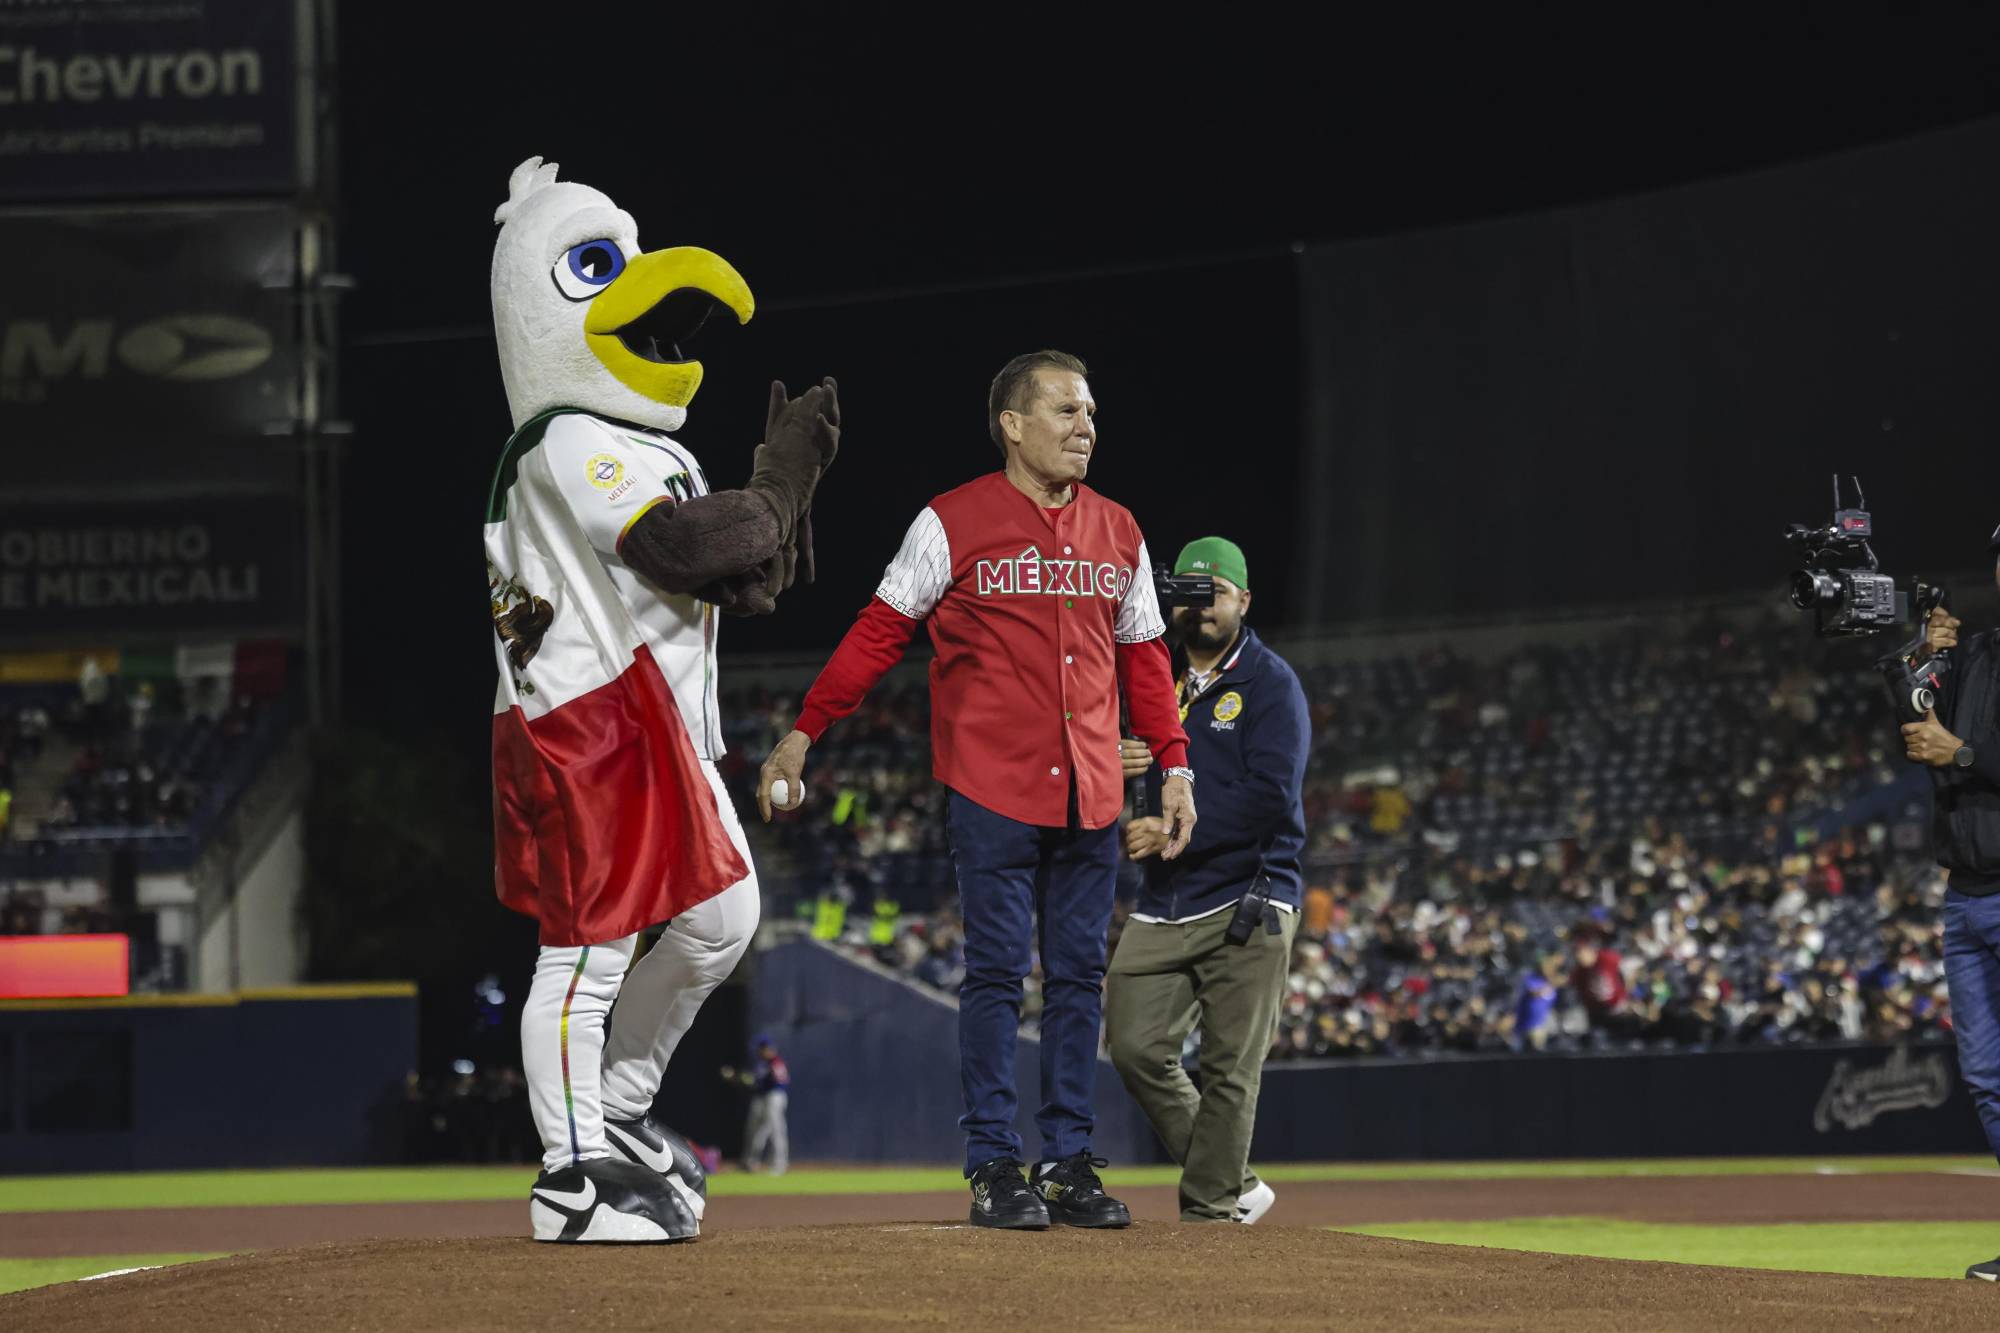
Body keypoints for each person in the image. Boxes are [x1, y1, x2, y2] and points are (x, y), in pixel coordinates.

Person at [483, 157, 838, 1245]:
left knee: (721, 918)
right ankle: (571, 1175)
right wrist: (780, 482)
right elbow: (694, 546)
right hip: (584, 719)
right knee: (585, 948)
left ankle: (621, 1110)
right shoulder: (563, 436)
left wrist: (780, 503)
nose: (636, 289)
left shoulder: (651, 447)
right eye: (596, 267)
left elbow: (748, 572)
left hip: (661, 723)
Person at [759, 350, 1193, 1230]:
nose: (1086, 428)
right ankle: (995, 1162)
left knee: (1077, 979)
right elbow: (881, 631)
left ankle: (1068, 1159)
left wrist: (1176, 763)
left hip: (1094, 793)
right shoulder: (950, 521)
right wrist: (807, 728)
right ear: (1012, 422)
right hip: (991, 785)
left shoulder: (1122, 529)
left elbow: (1147, 659)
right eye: (1067, 410)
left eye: (1092, 413)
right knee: (996, 973)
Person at [1103, 538, 1309, 1224]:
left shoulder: (1270, 682)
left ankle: (1210, 1213)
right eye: (1188, 592)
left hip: (1250, 894)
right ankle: (1236, 1181)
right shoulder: (1149, 682)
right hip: (1165, 899)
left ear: (1243, 600)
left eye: (1213, 592)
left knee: (1228, 1068)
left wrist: (1173, 829)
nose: (1200, 606)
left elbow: (1271, 795)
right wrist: (1121, 769)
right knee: (1134, 1046)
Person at [1896, 529, 2000, 1282]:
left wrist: (1960, 753)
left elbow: (1950, 748)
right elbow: (1915, 725)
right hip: (1964, 895)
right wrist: (1921, 656)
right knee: (1989, 1079)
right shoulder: (1979, 653)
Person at [726, 1035, 791, 1174]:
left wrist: (765, 1080)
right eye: (761, 1049)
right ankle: (749, 1162)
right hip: (761, 1097)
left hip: (774, 1096)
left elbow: (782, 1081)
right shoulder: (761, 1064)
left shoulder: (776, 1062)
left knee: (776, 1130)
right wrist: (740, 1078)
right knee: (754, 1131)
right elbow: (753, 1082)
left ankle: (780, 1163)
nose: (761, 1051)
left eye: (764, 1049)